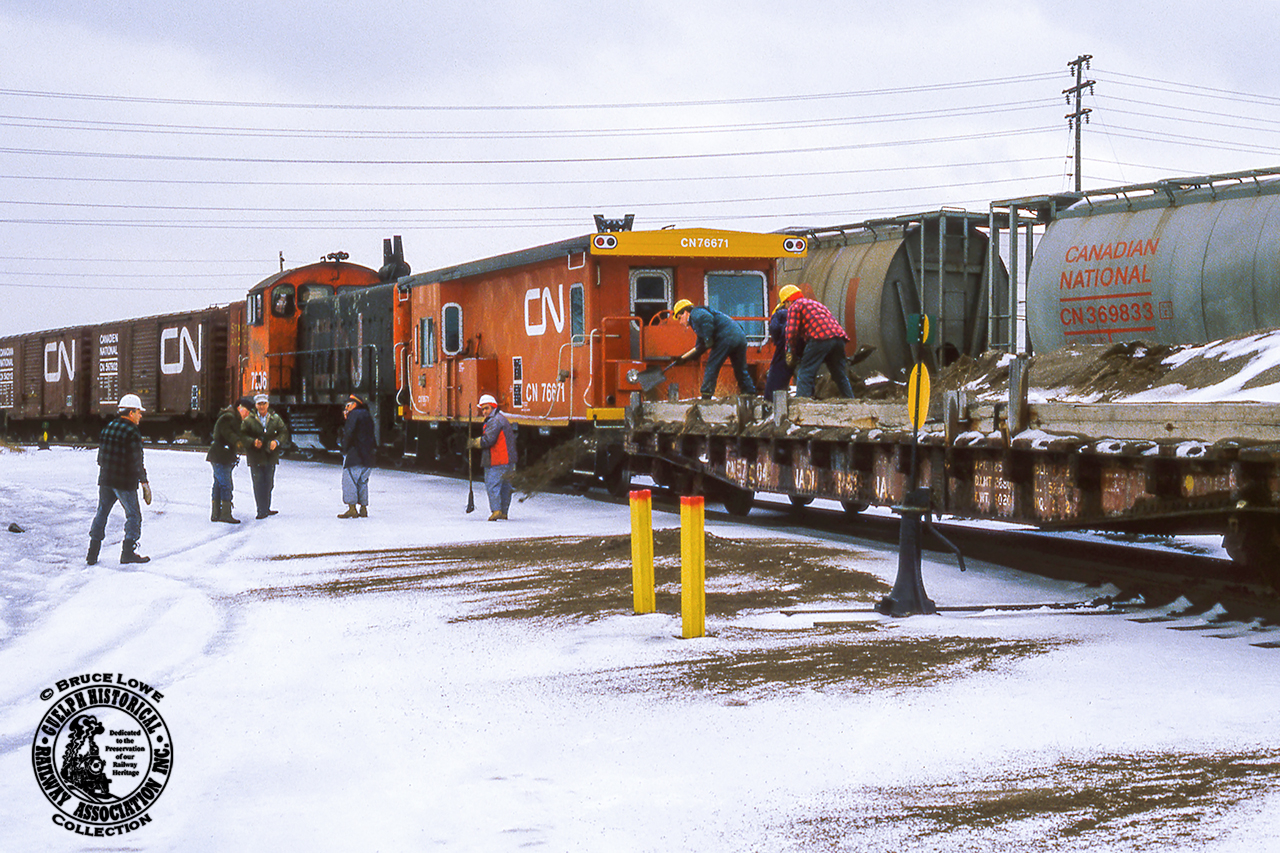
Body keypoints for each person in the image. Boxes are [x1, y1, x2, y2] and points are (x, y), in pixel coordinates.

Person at [87, 393, 152, 565]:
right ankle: (127, 553)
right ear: (131, 413)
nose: (140, 416)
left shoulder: (108, 427)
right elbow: (137, 461)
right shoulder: (132, 431)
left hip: (106, 479)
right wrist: (144, 482)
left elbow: (100, 459)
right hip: (124, 482)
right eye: (139, 412)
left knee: (101, 513)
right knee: (134, 515)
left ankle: (92, 553)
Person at [671, 299, 757, 400]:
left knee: (712, 365)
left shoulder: (696, 314)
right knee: (740, 368)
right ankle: (749, 392)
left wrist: (708, 338)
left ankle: (706, 394)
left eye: (680, 318)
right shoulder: (698, 322)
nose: (680, 322)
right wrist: (684, 358)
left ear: (685, 312)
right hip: (740, 336)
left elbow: (707, 319)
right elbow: (700, 347)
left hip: (726, 337)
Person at [781, 286, 856, 399]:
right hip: (838, 338)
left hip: (820, 338)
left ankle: (802, 402)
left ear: (788, 301)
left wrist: (790, 350)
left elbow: (791, 331)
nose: (786, 308)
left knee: (805, 372)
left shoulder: (795, 306)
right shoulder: (816, 304)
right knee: (839, 374)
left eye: (785, 305)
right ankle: (851, 400)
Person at [241, 393, 288, 519]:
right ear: (255, 406)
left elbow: (284, 432)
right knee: (258, 483)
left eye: (264, 404)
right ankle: (261, 510)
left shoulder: (275, 419)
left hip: (270, 456)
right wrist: (252, 442)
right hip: (255, 456)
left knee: (269, 483)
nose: (262, 407)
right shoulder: (248, 420)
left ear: (268, 405)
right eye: (259, 404)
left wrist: (276, 442)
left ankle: (266, 507)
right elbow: (242, 435)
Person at [470, 393, 516, 521]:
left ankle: (496, 511)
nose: (484, 412)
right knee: (506, 487)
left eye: (486, 408)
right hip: (509, 460)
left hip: (497, 460)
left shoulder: (494, 421)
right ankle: (504, 512)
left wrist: (473, 442)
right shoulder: (502, 419)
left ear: (493, 407)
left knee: (493, 485)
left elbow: (488, 440)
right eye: (482, 409)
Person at [207, 397, 251, 524]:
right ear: (240, 408)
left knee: (218, 484)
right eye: (246, 412)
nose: (247, 415)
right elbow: (228, 433)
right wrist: (238, 442)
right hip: (221, 456)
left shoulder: (231, 417)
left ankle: (216, 513)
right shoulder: (229, 418)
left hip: (219, 455)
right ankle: (225, 514)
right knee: (226, 484)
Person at [338, 394, 375, 518]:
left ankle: (352, 509)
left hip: (355, 455)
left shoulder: (353, 415)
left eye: (347, 406)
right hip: (368, 456)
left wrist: (344, 448)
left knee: (350, 481)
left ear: (354, 405)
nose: (346, 409)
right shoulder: (367, 414)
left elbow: (349, 433)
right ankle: (363, 508)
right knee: (363, 482)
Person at [762, 285, 800, 400]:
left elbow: (774, 328)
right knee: (804, 372)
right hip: (801, 344)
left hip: (785, 344)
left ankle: (770, 401)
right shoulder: (804, 308)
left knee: (777, 372)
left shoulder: (779, 313)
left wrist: (778, 341)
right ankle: (804, 397)